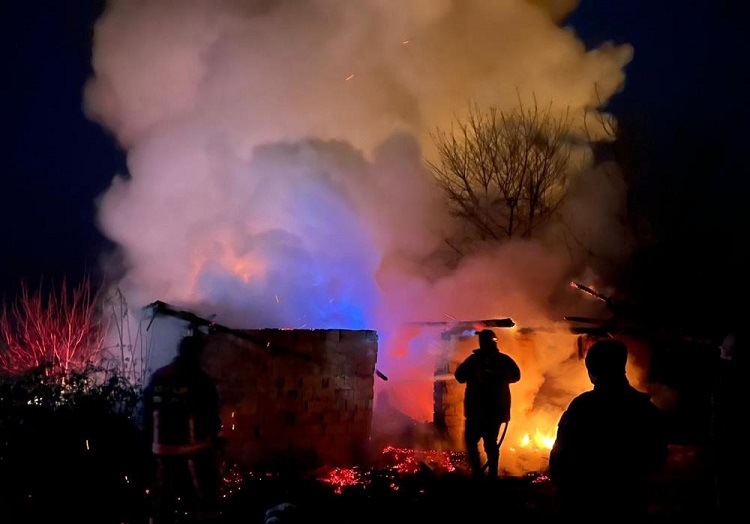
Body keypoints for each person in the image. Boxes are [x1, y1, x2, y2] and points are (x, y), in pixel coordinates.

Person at [549, 338, 668, 519]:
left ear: (593, 371)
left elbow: (560, 457)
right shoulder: (644, 408)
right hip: (630, 503)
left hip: (586, 504)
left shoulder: (582, 407)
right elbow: (657, 457)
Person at [142, 333, 224, 523]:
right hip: (193, 449)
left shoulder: (159, 375)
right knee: (205, 494)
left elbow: (146, 410)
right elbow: (212, 413)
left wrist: (148, 443)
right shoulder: (200, 379)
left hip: (161, 449)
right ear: (196, 355)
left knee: (165, 496)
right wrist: (215, 436)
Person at [454, 329, 521, 478]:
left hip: (485, 412)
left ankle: (485, 475)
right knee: (487, 443)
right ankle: (486, 475)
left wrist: (496, 376)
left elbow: (516, 376)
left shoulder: (484, 360)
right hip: (487, 412)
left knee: (480, 443)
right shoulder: (494, 360)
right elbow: (459, 376)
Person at [711, 329, 744, 518]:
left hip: (727, 433)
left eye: (724, 343)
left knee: (726, 476)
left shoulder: (729, 374)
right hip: (722, 431)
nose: (720, 346)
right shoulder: (725, 371)